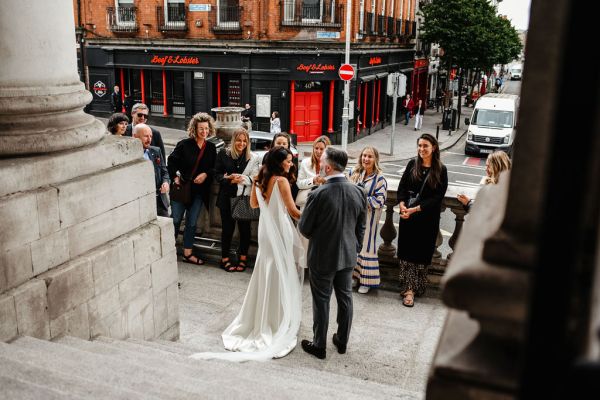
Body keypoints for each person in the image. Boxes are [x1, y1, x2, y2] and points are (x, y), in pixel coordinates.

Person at [190, 147, 305, 361]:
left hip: (265, 229)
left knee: (266, 268)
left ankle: (260, 318)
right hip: (279, 229)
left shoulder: (261, 177)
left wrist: (255, 185)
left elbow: (253, 204)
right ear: (280, 163)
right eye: (288, 161)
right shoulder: (281, 181)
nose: (291, 164)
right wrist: (314, 216)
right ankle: (275, 319)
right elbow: (293, 211)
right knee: (280, 271)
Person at [298, 147, 367, 360]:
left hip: (322, 255)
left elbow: (305, 228)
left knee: (322, 300)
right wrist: (354, 247)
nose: (319, 165)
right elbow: (361, 227)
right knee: (345, 298)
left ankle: (319, 345)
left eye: (321, 162)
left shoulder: (318, 194)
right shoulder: (358, 191)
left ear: (327, 167)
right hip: (347, 254)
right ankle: (342, 341)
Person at [396, 133, 448, 307]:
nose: (421, 149)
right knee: (406, 253)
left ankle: (417, 287)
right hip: (408, 217)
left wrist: (415, 209)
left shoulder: (441, 169)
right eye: (419, 146)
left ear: (433, 147)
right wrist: (402, 204)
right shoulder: (412, 164)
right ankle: (408, 289)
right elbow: (402, 187)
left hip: (426, 219)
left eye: (425, 146)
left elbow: (437, 197)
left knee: (421, 253)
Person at [167, 113, 217, 266]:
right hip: (181, 189)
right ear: (194, 129)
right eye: (201, 128)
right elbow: (171, 161)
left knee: (192, 223)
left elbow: (214, 168)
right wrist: (175, 178)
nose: (204, 132)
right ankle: (168, 250)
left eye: (206, 129)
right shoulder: (184, 144)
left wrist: (205, 174)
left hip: (198, 192)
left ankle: (187, 253)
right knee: (175, 220)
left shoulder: (211, 147)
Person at [214, 128, 260, 272]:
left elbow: (256, 177)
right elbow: (216, 173)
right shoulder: (224, 153)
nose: (242, 143)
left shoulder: (253, 157)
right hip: (226, 197)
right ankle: (225, 259)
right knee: (227, 230)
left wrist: (241, 179)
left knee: (244, 230)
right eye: (239, 140)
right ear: (234, 140)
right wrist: (227, 180)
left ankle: (243, 258)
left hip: (243, 198)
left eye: (244, 140)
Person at [349, 146, 387, 294]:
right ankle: (353, 276)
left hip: (368, 219)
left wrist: (359, 197)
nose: (366, 159)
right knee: (352, 246)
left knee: (366, 247)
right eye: (364, 155)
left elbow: (379, 201)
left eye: (370, 156)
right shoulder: (353, 172)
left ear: (375, 159)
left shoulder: (380, 179)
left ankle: (366, 281)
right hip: (352, 216)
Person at [133, 124, 170, 217]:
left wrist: (166, 182)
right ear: (135, 137)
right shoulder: (130, 155)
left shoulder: (156, 151)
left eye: (151, 136)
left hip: (160, 201)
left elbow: (164, 171)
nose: (149, 139)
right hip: (141, 203)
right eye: (146, 136)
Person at [295, 135, 331, 209]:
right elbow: (299, 184)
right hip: (307, 204)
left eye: (321, 149)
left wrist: (324, 181)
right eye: (316, 148)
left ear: (327, 150)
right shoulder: (305, 163)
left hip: (325, 204)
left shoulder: (331, 164)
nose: (318, 151)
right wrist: (313, 180)